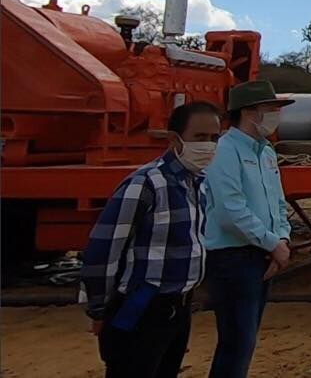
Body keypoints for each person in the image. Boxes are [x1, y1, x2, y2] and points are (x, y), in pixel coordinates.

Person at [81, 101, 222, 378]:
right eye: (199, 138)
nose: (208, 145)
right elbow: (104, 250)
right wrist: (98, 309)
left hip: (178, 307)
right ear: (174, 139)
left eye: (214, 138)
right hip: (142, 307)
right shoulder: (145, 184)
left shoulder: (196, 184)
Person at [203, 80, 295, 378]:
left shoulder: (266, 151)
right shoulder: (224, 150)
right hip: (232, 258)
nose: (275, 116)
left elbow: (278, 202)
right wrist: (273, 245)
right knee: (236, 343)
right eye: (270, 109)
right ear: (249, 112)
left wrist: (281, 238)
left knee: (246, 340)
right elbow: (231, 210)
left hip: (262, 255)